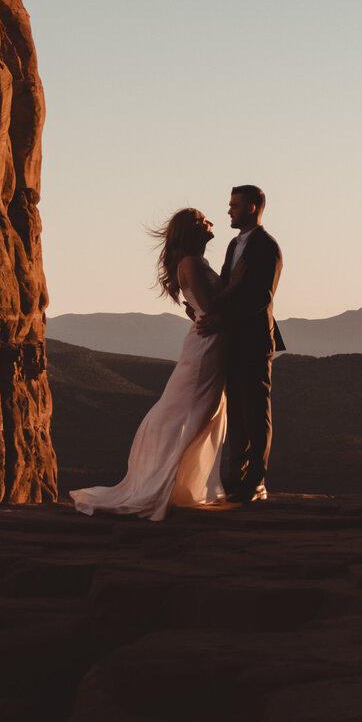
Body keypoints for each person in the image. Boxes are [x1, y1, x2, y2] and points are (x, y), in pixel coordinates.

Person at [70, 208, 228, 520]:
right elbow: (211, 308)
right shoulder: (192, 263)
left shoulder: (195, 262)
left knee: (198, 411)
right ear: (192, 231)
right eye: (203, 220)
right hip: (206, 344)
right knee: (192, 411)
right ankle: (161, 483)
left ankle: (176, 483)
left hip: (209, 341)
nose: (211, 221)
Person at [196, 185, 284, 503]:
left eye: (234, 205)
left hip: (255, 340)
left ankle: (255, 481)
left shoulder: (267, 246)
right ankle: (235, 477)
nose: (229, 210)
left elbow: (261, 298)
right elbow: (227, 286)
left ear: (253, 207)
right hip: (232, 342)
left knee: (255, 410)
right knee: (236, 409)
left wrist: (221, 320)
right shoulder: (234, 244)